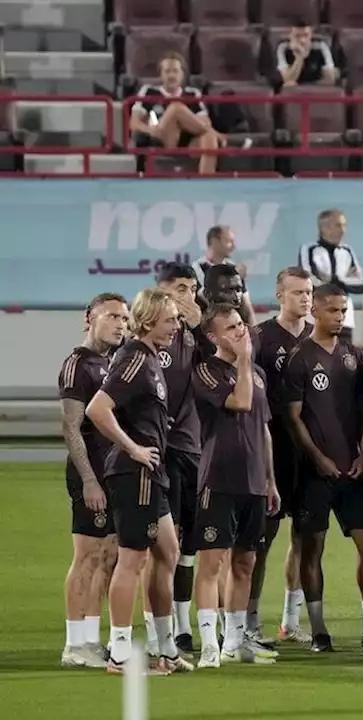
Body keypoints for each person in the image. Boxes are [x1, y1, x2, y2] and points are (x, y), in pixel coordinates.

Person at [284, 284, 363, 652]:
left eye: (343, 310)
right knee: (312, 548)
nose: (339, 316)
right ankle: (319, 630)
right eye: (333, 310)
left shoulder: (353, 357)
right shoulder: (299, 358)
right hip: (313, 473)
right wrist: (318, 458)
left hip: (351, 472)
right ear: (315, 311)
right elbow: (293, 418)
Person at [85, 287, 192, 674]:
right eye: (170, 320)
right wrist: (133, 447)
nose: (177, 326)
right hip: (136, 474)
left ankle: (166, 649)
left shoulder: (149, 359)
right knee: (132, 561)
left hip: (152, 473)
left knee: (169, 552)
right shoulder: (133, 357)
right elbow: (98, 408)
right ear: (148, 321)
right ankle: (118, 653)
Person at [191, 305, 281, 668]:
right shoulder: (206, 372)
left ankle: (234, 642)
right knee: (212, 564)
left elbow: (263, 428)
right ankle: (210, 644)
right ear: (213, 337)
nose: (241, 331)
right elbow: (240, 403)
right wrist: (244, 360)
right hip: (219, 479)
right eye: (231, 328)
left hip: (254, 482)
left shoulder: (257, 373)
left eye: (242, 325)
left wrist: (271, 480)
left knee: (246, 563)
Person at [59, 293, 129, 669]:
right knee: (86, 556)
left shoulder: (113, 362)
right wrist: (89, 480)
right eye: (112, 316)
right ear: (90, 318)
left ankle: (90, 638)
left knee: (108, 556)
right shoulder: (78, 365)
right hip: (92, 476)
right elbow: (70, 427)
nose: (120, 324)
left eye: (124, 318)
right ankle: (74, 643)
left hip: (114, 474)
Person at [253, 268, 314, 644]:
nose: (305, 299)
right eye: (297, 292)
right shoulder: (260, 337)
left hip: (308, 452)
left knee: (305, 538)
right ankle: (249, 619)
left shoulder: (318, 336)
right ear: (280, 296)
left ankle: (291, 621)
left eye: (308, 292)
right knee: (261, 540)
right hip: (270, 448)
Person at [153, 264, 205, 656]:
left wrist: (201, 328)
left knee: (189, 545)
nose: (187, 295)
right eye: (179, 288)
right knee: (162, 547)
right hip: (159, 452)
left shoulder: (195, 336)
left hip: (193, 448)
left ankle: (183, 628)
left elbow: (222, 368)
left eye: (192, 288)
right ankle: (161, 630)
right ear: (161, 290)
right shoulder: (150, 339)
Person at [128, 52, 223, 175]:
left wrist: (192, 123)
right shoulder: (149, 91)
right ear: (161, 74)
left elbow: (205, 123)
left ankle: (205, 184)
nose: (171, 75)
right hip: (162, 136)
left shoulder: (192, 94)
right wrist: (150, 130)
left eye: (175, 71)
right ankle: (221, 136)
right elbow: (134, 123)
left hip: (188, 140)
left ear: (182, 74)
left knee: (209, 137)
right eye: (167, 71)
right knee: (176, 107)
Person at [299, 209, 363, 339]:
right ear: (324, 228)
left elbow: (362, 283)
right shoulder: (309, 249)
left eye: (344, 225)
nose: (343, 230)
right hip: (316, 318)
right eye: (338, 225)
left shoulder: (347, 251)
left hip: (345, 319)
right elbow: (308, 279)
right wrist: (345, 281)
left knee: (344, 356)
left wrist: (336, 280)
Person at [276, 18, 339, 87]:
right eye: (297, 36)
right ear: (290, 36)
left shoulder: (321, 46)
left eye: (306, 35)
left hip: (315, 88)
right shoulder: (283, 48)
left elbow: (330, 79)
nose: (302, 40)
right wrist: (299, 57)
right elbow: (288, 80)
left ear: (311, 35)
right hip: (294, 91)